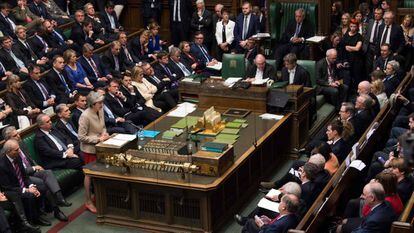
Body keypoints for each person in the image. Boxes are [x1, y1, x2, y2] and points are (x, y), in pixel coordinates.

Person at [3, 126, 72, 208]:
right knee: (41, 182)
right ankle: (53, 207)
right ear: (8, 140)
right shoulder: (8, 152)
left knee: (47, 173)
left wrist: (37, 166)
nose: (18, 136)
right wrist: (34, 168)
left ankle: (60, 199)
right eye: (15, 136)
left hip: (32, 171)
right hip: (24, 177)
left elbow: (30, 159)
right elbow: (17, 172)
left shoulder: (21, 144)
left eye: (18, 133)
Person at [78, 91, 110, 213]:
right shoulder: (85, 116)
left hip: (102, 145)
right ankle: (88, 201)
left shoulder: (100, 110)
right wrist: (98, 139)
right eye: (99, 103)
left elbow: (103, 126)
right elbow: (81, 137)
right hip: (89, 150)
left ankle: (100, 195)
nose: (102, 104)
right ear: (92, 104)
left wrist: (104, 133)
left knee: (103, 170)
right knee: (89, 175)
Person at [340, 18, 363, 88]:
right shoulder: (346, 35)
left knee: (357, 77)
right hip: (347, 58)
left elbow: (357, 48)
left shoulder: (359, 36)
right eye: (351, 26)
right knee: (348, 77)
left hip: (356, 59)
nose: (353, 28)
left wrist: (348, 47)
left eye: (354, 26)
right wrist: (350, 48)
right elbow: (342, 47)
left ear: (357, 27)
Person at [363, 8, 384, 74]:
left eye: (378, 14)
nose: (376, 15)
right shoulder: (371, 21)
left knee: (375, 65)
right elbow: (366, 34)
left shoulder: (384, 23)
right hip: (369, 46)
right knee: (368, 65)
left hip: (378, 47)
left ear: (382, 15)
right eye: (375, 13)